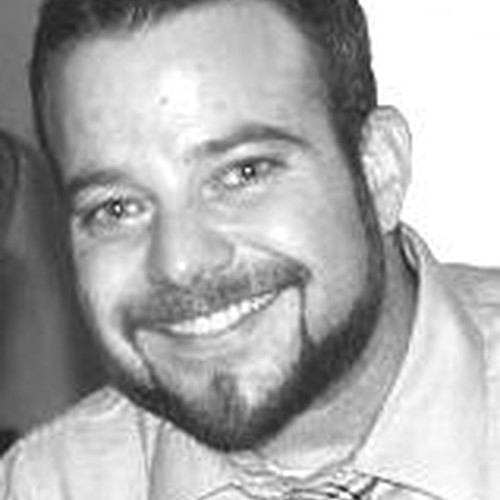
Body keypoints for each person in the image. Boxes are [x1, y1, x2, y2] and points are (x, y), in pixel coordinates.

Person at [1, 0, 499, 498]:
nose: (180, 263)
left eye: (243, 173)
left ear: (377, 172)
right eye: (117, 208)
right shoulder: (45, 485)